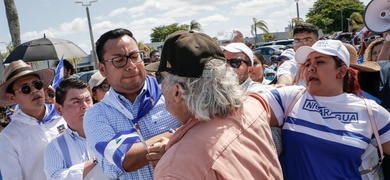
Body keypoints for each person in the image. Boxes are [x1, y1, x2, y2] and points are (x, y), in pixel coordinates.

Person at [151, 30, 282, 179]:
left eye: (160, 78)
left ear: (177, 92)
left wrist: (176, 157)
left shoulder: (174, 169)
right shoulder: (254, 104)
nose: (160, 86)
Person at [261, 40, 390, 179]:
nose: (310, 68)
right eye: (308, 63)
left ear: (341, 71)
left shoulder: (370, 111)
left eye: (320, 62)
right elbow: (246, 109)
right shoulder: (289, 98)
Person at [83, 28, 181, 179]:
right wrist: (176, 135)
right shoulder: (96, 115)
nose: (131, 65)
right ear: (102, 69)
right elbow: (123, 159)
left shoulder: (173, 92)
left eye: (135, 56)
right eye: (119, 60)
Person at [0, 60, 67, 180]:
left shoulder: (63, 116)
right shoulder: (7, 138)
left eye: (37, 84)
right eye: (25, 88)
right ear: (12, 97)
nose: (34, 91)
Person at [44, 78, 107, 179]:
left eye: (87, 100)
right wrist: (97, 161)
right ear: (59, 109)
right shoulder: (55, 148)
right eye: (76, 102)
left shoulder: (110, 131)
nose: (85, 106)